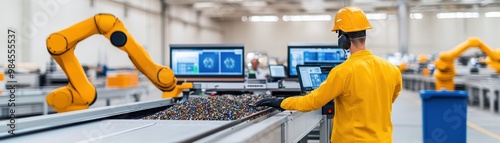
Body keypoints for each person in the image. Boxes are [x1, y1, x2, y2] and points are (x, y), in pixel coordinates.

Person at [253, 6, 402, 143]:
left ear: (343, 39)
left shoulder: (342, 72)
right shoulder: (392, 69)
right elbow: (389, 98)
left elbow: (312, 101)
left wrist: (281, 102)